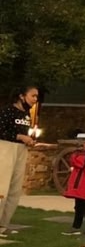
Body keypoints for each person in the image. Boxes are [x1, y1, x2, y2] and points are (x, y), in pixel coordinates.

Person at [0, 86, 39, 238]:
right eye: (33, 96)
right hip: (6, 148)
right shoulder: (7, 111)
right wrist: (19, 136)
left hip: (21, 150)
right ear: (22, 96)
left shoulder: (26, 114)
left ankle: (3, 225)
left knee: (14, 190)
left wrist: (29, 140)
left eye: (37, 96)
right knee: (2, 188)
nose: (35, 99)